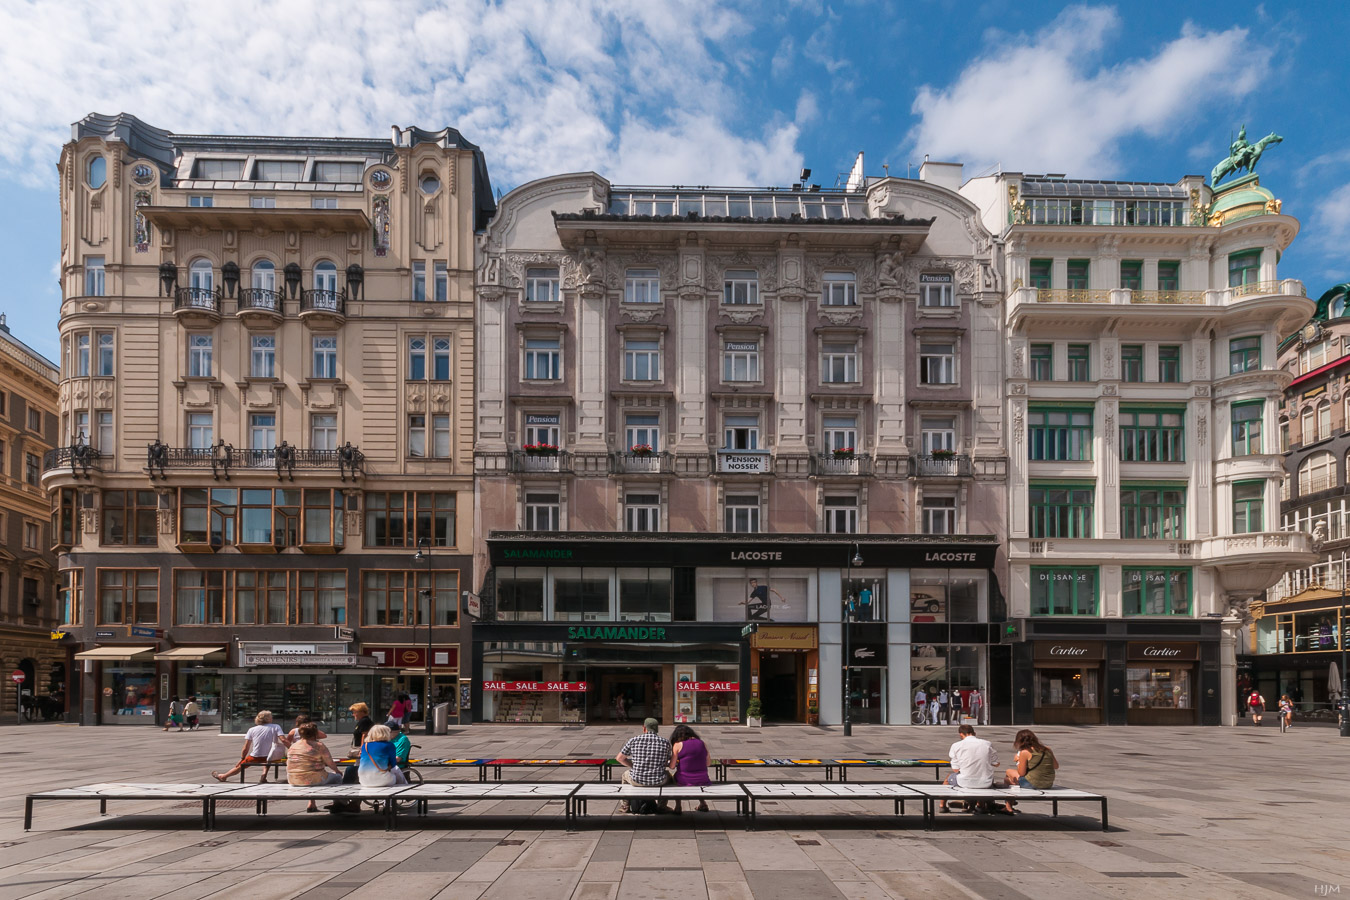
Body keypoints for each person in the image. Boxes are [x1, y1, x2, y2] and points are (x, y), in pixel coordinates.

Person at [615, 717, 672, 813]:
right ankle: (662, 806)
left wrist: (633, 766)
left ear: (644, 728)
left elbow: (619, 758)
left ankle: (625, 805)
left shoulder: (634, 740)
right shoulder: (665, 742)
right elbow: (666, 762)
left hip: (637, 780)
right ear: (657, 729)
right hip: (658, 780)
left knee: (625, 775)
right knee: (669, 776)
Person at [939, 724, 999, 813]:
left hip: (964, 782)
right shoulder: (987, 743)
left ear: (961, 734)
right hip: (986, 782)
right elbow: (996, 764)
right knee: (984, 774)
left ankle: (942, 805)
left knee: (948, 778)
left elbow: (955, 769)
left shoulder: (956, 745)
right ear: (974, 733)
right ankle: (980, 804)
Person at [213, 710, 284, 782]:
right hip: (272, 757)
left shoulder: (252, 730)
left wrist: (242, 758)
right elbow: (283, 740)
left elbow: (246, 746)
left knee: (240, 766)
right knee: (269, 759)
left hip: (256, 756)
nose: (272, 718)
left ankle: (224, 776)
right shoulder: (276, 726)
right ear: (268, 718)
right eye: (271, 717)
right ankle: (263, 776)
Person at [286, 721, 341, 812]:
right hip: (314, 779)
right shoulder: (318, 745)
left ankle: (312, 803)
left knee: (310, 774)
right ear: (315, 733)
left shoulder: (293, 746)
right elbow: (330, 762)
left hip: (293, 779)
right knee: (337, 777)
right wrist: (337, 771)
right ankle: (338, 804)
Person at [1001, 729, 1058, 813]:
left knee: (1008, 774)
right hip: (1048, 783)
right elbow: (1056, 766)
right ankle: (1009, 804)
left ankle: (1008, 805)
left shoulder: (1025, 752)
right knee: (1011, 779)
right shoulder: (1047, 749)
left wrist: (1018, 760)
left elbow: (1021, 773)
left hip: (1033, 783)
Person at [668, 724, 711, 814]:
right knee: (697, 781)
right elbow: (708, 763)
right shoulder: (702, 743)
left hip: (684, 779)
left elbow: (672, 767)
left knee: (674, 778)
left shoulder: (677, 745)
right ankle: (703, 803)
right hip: (703, 779)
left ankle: (678, 806)